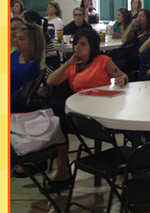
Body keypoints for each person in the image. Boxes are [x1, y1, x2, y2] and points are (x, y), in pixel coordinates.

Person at [47, 29, 128, 190]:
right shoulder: (73, 66)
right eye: (76, 43)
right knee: (53, 116)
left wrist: (122, 80)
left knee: (58, 121)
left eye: (83, 44)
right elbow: (51, 81)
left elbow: (123, 76)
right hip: (79, 110)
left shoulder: (102, 60)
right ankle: (61, 169)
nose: (78, 47)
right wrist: (68, 63)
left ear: (92, 46)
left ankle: (62, 171)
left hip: (100, 110)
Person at [11, 23, 45, 109]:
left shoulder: (32, 67)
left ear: (32, 42)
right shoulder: (16, 54)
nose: (15, 41)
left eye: (20, 39)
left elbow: (17, 95)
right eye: (16, 37)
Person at [24, 10, 60, 74]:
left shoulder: (39, 34)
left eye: (25, 21)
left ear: (32, 22)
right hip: (44, 63)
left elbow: (39, 57)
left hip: (49, 66)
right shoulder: (34, 33)